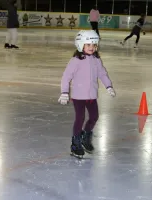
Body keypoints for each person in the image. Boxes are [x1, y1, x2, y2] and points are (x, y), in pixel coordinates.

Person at [58, 30, 116, 158]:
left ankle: (86, 136)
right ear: (80, 45)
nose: (92, 47)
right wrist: (64, 92)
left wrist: (108, 85)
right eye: (88, 44)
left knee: (94, 117)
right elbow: (66, 77)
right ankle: (75, 143)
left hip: (92, 96)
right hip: (79, 96)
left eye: (94, 45)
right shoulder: (76, 60)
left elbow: (102, 73)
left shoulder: (96, 59)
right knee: (80, 118)